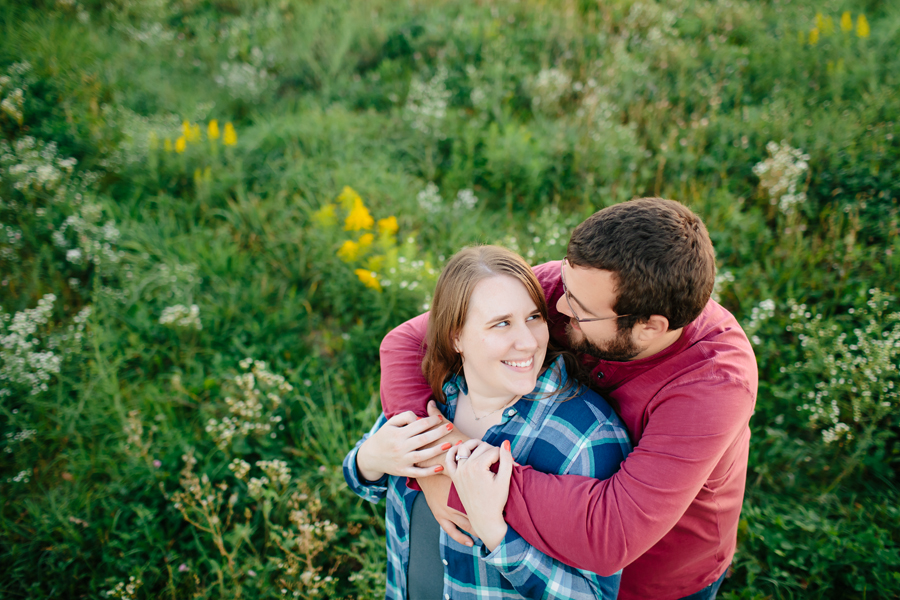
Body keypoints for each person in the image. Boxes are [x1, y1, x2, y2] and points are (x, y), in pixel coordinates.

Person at [378, 198, 758, 600]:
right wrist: (437, 458)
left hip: (653, 576)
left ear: (649, 328)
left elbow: (611, 533)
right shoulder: (577, 289)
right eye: (563, 281)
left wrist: (460, 475)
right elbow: (407, 341)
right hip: (539, 547)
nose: (556, 304)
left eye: (578, 308)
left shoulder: (714, 385)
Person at [343, 245, 632, 600]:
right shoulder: (431, 398)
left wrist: (496, 535)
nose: (527, 342)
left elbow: (594, 596)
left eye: (533, 318)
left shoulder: (584, 435)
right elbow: (367, 483)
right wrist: (365, 461)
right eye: (501, 324)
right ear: (456, 337)